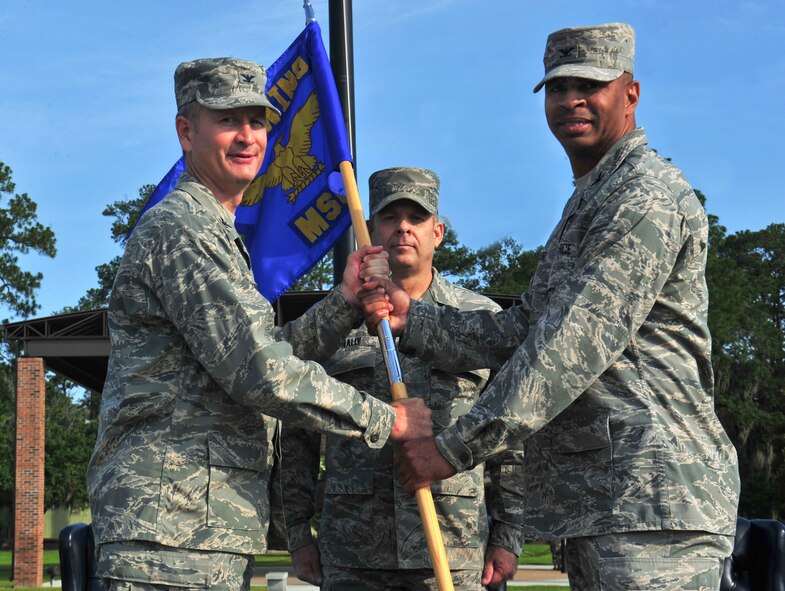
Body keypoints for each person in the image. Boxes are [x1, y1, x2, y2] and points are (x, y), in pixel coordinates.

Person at [361, 23, 740, 591]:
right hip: (606, 503)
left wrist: (452, 450)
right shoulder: (588, 202)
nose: (571, 101)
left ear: (630, 94)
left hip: (655, 503)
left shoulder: (644, 198)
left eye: (590, 85)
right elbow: (521, 327)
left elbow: (566, 349)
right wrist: (414, 319)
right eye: (557, 89)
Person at [86, 58, 431, 591]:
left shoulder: (216, 232)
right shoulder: (183, 229)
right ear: (186, 130)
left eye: (259, 121)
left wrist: (344, 301)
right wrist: (388, 419)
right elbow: (262, 372)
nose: (248, 135)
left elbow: (265, 352)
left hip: (198, 528)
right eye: (228, 120)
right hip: (169, 536)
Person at [280, 167, 526, 591]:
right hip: (354, 552)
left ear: (438, 232)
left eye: (417, 218)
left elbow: (509, 438)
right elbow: (297, 435)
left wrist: (508, 536)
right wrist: (298, 534)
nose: (404, 228)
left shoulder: (481, 321)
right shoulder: (334, 320)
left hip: (453, 550)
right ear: (371, 230)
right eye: (391, 218)